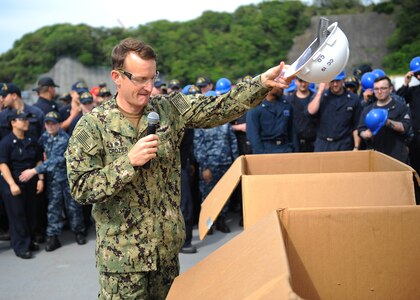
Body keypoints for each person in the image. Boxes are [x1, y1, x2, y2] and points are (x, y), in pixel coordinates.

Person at [65, 37, 291, 299]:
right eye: (140, 79)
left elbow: (219, 107)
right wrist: (128, 162)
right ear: (116, 76)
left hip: (166, 252)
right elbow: (81, 189)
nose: (149, 88)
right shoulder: (92, 126)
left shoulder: (169, 109)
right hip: (123, 261)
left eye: (153, 78)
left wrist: (261, 82)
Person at [19, 111, 87, 252]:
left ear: (59, 124)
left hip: (67, 178)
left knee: (73, 207)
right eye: (47, 123)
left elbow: (56, 160)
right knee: (53, 208)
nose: (50, 126)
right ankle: (53, 236)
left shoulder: (64, 138)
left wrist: (34, 171)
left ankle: (79, 231)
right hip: (53, 180)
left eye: (53, 123)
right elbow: (39, 152)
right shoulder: (44, 137)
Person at [0, 110, 44, 259]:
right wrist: (12, 184)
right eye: (22, 119)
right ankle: (21, 246)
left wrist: (40, 179)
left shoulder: (31, 140)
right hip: (13, 182)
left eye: (27, 119)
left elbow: (39, 160)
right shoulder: (6, 142)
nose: (26, 122)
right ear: (13, 122)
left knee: (31, 213)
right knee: (17, 216)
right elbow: (3, 165)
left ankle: (29, 241)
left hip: (30, 181)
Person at [358, 76, 412, 163]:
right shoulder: (367, 110)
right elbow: (360, 130)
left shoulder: (401, 107)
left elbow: (405, 127)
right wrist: (366, 134)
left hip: (397, 157)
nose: (379, 92)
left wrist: (386, 121)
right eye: (376, 89)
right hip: (375, 157)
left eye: (383, 88)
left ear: (390, 89)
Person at [306, 71, 362, 152]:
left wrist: (356, 147)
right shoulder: (321, 97)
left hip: (343, 144)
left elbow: (356, 126)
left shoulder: (353, 99)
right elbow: (310, 112)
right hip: (323, 144)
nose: (335, 84)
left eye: (338, 81)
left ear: (343, 80)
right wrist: (320, 91)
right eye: (332, 81)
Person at [247, 85, 299, 154]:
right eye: (278, 85)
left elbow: (292, 131)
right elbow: (253, 135)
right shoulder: (256, 107)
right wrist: (260, 155)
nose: (282, 87)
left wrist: (296, 151)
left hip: (286, 148)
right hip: (266, 149)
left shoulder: (286, 105)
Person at [397, 56, 420, 203]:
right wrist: (405, 83)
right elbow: (398, 98)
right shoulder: (413, 91)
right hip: (417, 137)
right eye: (418, 74)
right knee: (416, 170)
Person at [286, 77, 317, 152]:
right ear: (296, 81)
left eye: (305, 81)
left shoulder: (315, 99)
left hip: (313, 143)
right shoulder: (288, 100)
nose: (303, 84)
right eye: (300, 81)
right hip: (294, 144)